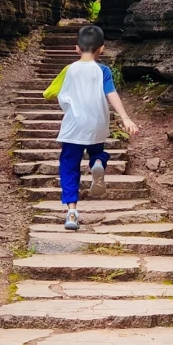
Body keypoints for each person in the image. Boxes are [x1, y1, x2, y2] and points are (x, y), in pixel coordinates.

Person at [43, 23, 139, 230]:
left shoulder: (69, 70)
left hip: (73, 127)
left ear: (76, 48)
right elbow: (111, 93)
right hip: (96, 124)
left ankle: (71, 212)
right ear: (101, 49)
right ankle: (98, 163)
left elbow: (49, 92)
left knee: (69, 167)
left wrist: (53, 94)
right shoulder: (102, 70)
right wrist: (125, 118)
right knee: (97, 151)